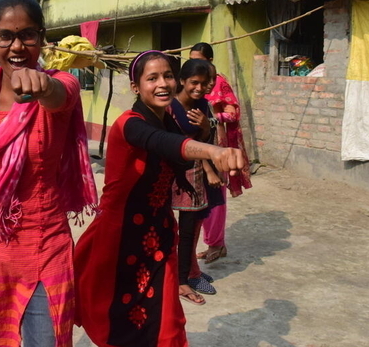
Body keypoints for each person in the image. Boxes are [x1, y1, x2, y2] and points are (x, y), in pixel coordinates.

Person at [0, 0, 98, 347]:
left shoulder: (63, 84)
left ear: (42, 38)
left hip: (44, 245)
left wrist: (44, 86)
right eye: (5, 36)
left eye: (28, 35)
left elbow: (60, 95)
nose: (17, 45)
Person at [74, 50, 245, 347]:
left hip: (158, 235)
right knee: (117, 315)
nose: (162, 83)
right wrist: (214, 151)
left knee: (166, 320)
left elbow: (178, 146)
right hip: (120, 236)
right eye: (152, 78)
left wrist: (206, 133)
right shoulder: (129, 123)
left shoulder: (169, 119)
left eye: (167, 76)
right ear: (136, 87)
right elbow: (162, 143)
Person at [189, 42, 253, 263]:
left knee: (215, 193)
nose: (195, 64)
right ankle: (211, 241)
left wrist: (213, 120)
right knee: (200, 193)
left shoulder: (219, 82)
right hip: (197, 143)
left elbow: (233, 112)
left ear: (210, 61)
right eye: (191, 60)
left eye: (199, 60)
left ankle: (217, 243)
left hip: (216, 142)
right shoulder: (192, 83)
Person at [169, 59, 224, 304]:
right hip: (174, 175)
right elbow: (177, 144)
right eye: (194, 82)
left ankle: (189, 274)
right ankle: (179, 279)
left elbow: (204, 139)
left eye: (203, 84)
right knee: (171, 230)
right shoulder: (170, 106)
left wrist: (204, 127)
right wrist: (208, 168)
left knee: (191, 229)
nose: (199, 88)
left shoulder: (202, 105)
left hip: (196, 173)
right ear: (182, 81)